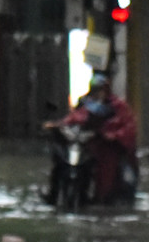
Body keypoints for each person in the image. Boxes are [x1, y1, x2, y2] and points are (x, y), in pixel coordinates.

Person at [47, 72, 139, 204]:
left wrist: (112, 135)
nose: (98, 93)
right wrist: (58, 125)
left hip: (111, 151)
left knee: (115, 178)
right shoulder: (87, 104)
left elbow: (128, 127)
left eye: (100, 90)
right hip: (90, 147)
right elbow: (75, 118)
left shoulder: (118, 106)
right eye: (95, 90)